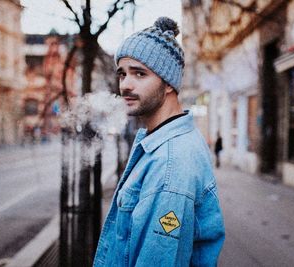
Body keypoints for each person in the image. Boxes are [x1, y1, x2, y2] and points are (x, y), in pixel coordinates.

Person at [94, 17, 225, 266]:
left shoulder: (171, 163)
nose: (125, 85)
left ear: (168, 83)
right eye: (122, 74)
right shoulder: (165, 143)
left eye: (139, 74)